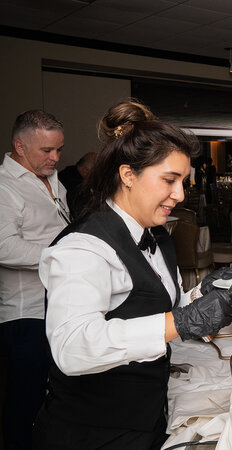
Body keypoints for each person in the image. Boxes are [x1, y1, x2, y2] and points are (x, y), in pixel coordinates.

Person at [32, 99, 232, 449]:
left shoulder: (157, 235)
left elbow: (150, 308)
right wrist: (183, 321)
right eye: (169, 180)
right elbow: (71, 347)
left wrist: (200, 297)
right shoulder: (83, 248)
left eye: (183, 181)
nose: (180, 194)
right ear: (128, 175)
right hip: (92, 432)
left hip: (146, 419)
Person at [0, 109, 68, 450]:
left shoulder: (53, 179)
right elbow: (4, 248)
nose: (55, 158)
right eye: (47, 151)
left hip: (56, 308)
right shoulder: (3, 186)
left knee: (54, 402)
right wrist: (63, 256)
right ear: (20, 146)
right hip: (25, 315)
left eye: (59, 150)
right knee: (24, 406)